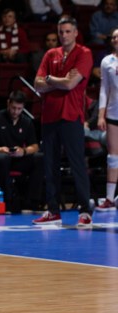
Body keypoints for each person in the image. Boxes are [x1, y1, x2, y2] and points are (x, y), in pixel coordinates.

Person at [33, 17, 94, 226]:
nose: (64, 35)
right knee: (50, 164)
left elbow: (70, 84)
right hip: (49, 116)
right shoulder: (51, 54)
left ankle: (85, 211)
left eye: (68, 31)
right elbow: (37, 84)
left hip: (71, 116)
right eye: (61, 32)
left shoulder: (84, 54)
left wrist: (49, 79)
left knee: (77, 164)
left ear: (76, 33)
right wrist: (55, 80)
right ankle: (53, 211)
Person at [0, 91, 44, 212]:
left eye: (19, 109)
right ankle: (7, 202)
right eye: (13, 108)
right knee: (3, 159)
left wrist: (23, 151)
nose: (16, 112)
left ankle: (31, 202)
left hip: (15, 157)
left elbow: (34, 146)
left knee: (39, 158)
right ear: (8, 103)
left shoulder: (26, 122)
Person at [95, 27, 118, 210]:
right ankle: (109, 198)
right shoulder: (106, 61)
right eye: (115, 37)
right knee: (113, 157)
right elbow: (104, 90)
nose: (117, 39)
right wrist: (101, 116)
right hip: (113, 114)